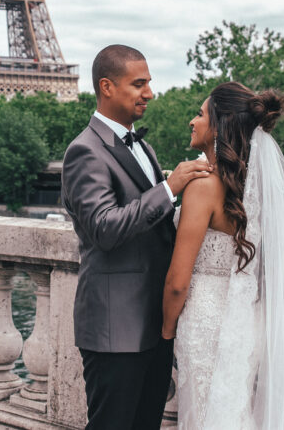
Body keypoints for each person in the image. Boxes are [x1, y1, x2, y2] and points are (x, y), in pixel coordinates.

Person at [62, 44, 214, 430]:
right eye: (139, 84)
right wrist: (170, 188)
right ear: (107, 87)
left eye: (149, 83)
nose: (149, 93)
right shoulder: (85, 151)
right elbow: (104, 229)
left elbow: (153, 222)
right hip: (115, 332)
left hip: (154, 325)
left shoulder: (141, 144)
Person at [162, 81, 284, 429]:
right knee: (233, 413)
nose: (192, 121)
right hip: (244, 320)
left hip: (204, 321)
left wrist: (165, 331)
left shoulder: (203, 188)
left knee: (205, 415)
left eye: (200, 114)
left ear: (219, 126)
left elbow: (178, 282)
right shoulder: (255, 185)